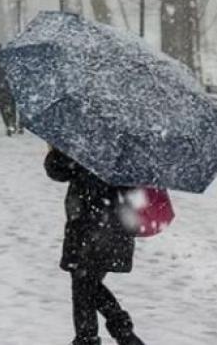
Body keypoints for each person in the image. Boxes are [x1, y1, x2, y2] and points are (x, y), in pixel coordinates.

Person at [44, 147, 144, 345]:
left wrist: (57, 152)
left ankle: (100, 337)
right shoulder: (130, 147)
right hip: (115, 224)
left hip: (90, 227)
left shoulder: (85, 142)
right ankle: (118, 334)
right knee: (87, 284)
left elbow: (58, 170)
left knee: (84, 284)